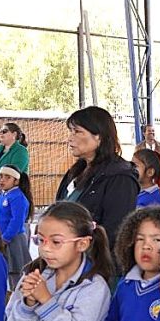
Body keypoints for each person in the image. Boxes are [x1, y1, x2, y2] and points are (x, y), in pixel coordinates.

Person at [56, 106, 140, 247]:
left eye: (77, 132)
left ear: (99, 137)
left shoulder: (120, 178)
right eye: (70, 131)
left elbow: (115, 232)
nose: (70, 138)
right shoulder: (76, 172)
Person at [0, 166, 34, 289]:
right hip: (3, 238)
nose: (2, 179)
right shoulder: (4, 195)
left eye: (7, 177)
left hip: (13, 239)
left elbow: (16, 221)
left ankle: (18, 295)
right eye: (0, 176)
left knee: (16, 270)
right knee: (7, 270)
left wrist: (6, 238)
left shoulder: (18, 197)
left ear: (16, 181)